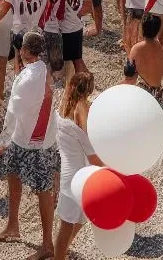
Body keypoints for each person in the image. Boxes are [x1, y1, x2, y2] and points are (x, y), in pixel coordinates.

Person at [0, 31, 58, 259]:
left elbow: (13, 112)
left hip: (28, 139)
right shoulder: (43, 70)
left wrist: (3, 141)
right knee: (16, 174)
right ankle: (13, 225)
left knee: (42, 190)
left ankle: (47, 245)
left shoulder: (27, 77)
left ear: (24, 51)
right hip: (44, 137)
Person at [53, 71, 102, 260]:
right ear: (88, 92)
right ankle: (59, 256)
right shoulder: (80, 130)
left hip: (71, 173)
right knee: (66, 225)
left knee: (80, 218)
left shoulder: (62, 112)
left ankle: (62, 251)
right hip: (76, 179)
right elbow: (94, 159)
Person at [122, 12, 163, 101]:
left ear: (143, 29)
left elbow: (130, 75)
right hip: (158, 92)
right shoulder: (159, 46)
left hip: (145, 92)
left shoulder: (137, 48)